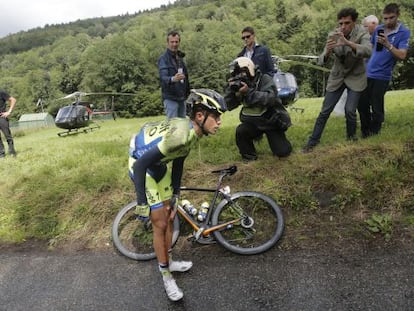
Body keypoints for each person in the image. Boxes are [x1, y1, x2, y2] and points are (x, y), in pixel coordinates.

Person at [128, 89, 226, 301]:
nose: (219, 122)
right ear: (200, 116)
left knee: (169, 214)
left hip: (158, 165)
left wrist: (175, 195)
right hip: (142, 166)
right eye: (216, 117)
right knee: (160, 223)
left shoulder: (192, 134)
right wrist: (142, 203)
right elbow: (141, 165)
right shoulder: (179, 136)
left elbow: (179, 163)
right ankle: (166, 276)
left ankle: (169, 262)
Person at [302, 8, 371, 152]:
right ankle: (312, 143)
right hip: (337, 76)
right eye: (341, 23)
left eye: (347, 23)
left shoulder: (362, 33)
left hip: (356, 77)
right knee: (324, 111)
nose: (343, 26)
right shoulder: (333, 35)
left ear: (354, 22)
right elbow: (321, 61)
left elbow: (368, 51)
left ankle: (351, 139)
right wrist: (327, 51)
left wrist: (348, 43)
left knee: (350, 110)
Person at [224, 56, 292, 161]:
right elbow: (228, 105)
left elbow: (270, 98)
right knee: (241, 131)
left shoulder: (264, 79)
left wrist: (248, 92)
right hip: (253, 123)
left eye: (242, 73)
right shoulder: (239, 86)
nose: (240, 76)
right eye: (237, 74)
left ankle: (281, 143)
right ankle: (249, 158)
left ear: (249, 69)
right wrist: (233, 92)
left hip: (270, 121)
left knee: (283, 152)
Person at [358, 3, 411, 138]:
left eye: (391, 18)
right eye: (385, 18)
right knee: (362, 103)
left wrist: (388, 44)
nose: (388, 21)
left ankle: (375, 133)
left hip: (382, 75)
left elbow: (402, 55)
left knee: (376, 105)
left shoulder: (404, 32)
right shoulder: (379, 29)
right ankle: (365, 133)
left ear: (398, 15)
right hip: (367, 71)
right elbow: (372, 48)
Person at [158, 30, 191, 118]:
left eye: (176, 42)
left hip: (182, 98)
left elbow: (186, 77)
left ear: (179, 42)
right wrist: (173, 79)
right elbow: (163, 78)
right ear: (167, 43)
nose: (174, 44)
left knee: (182, 126)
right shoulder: (163, 59)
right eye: (172, 42)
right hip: (170, 98)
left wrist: (189, 92)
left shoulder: (180, 58)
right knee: (172, 127)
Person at [0, 89, 17, 157]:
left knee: (8, 136)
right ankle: (1, 154)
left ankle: (12, 152)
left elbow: (13, 99)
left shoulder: (1, 92)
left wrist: (9, 112)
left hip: (2, 116)